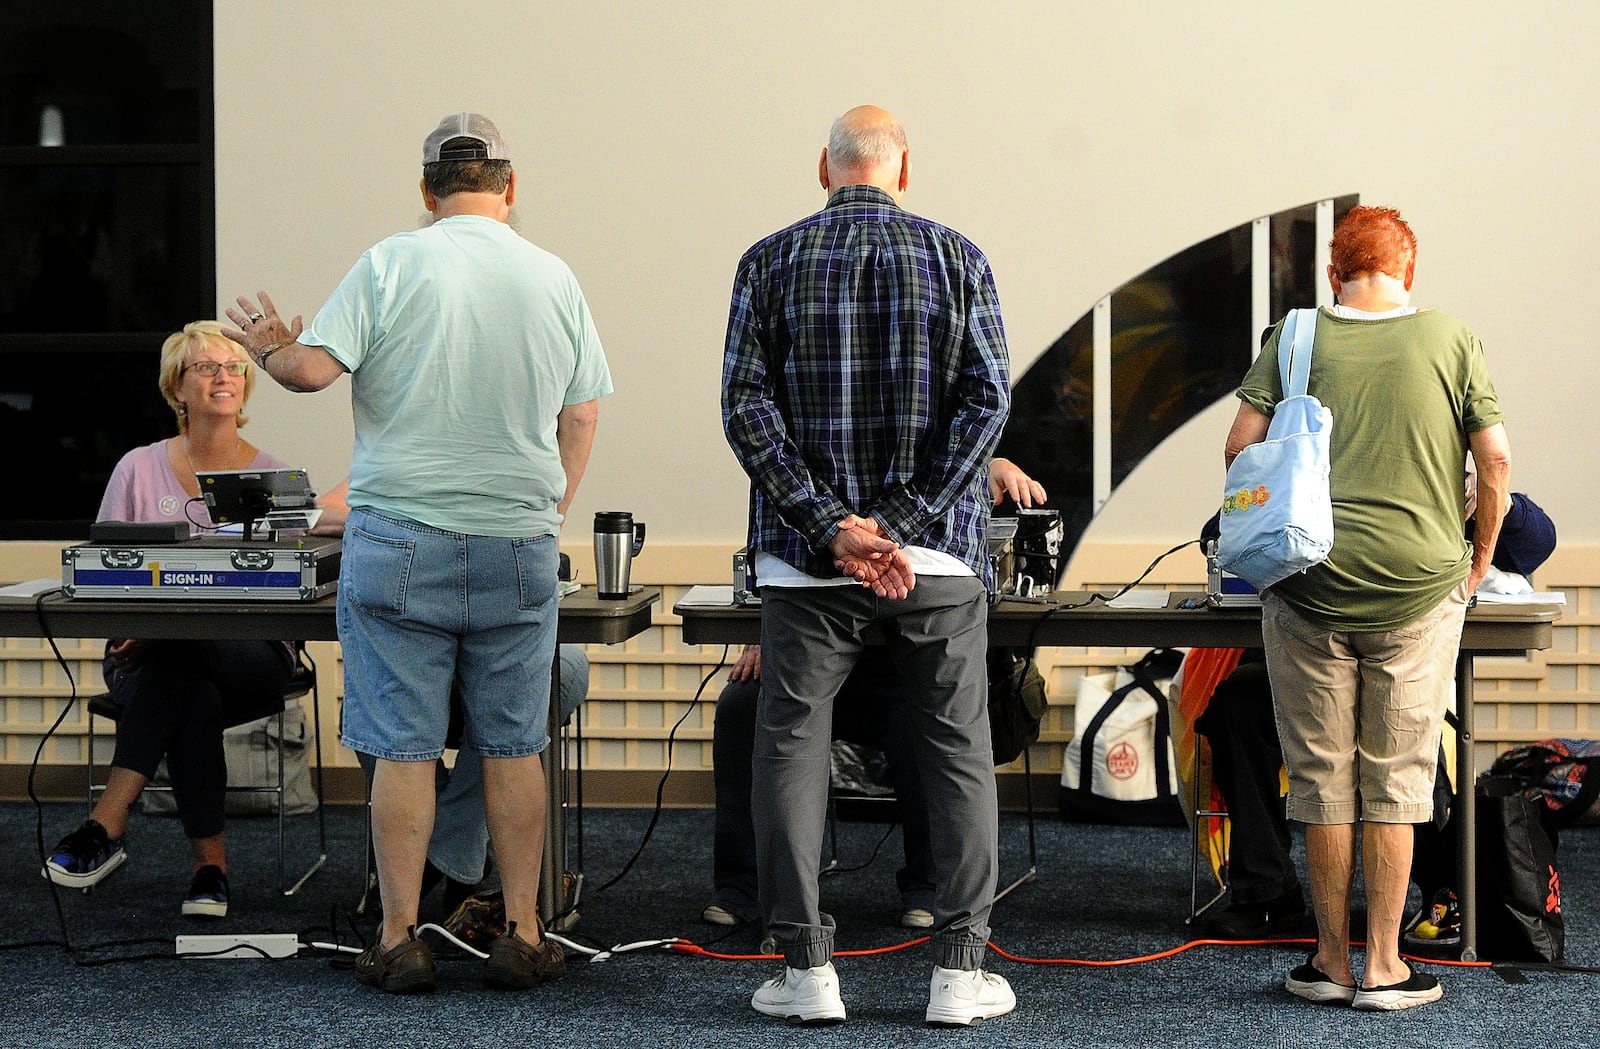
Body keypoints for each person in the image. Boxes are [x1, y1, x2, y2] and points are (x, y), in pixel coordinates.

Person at [225, 112, 611, 994]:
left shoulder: (393, 260)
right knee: (513, 744)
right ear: (510, 189)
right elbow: (583, 411)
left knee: (403, 747)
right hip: (514, 540)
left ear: (427, 191)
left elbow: (310, 374)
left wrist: (274, 346)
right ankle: (521, 928)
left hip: (399, 539)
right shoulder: (553, 276)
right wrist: (547, 509)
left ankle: (400, 938)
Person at [722, 105, 1014, 1027]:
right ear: (904, 168)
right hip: (936, 559)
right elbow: (987, 403)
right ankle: (960, 975)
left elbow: (745, 407)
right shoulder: (960, 257)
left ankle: (805, 971)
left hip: (812, 569)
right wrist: (900, 523)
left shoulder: (767, 260)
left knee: (790, 750)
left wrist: (833, 527)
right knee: (957, 749)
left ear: (824, 169)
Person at [1224, 205, 1512, 1011]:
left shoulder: (1293, 334)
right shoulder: (1450, 337)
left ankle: (1330, 962)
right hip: (1420, 591)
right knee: (1397, 779)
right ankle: (1386, 965)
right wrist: (1480, 555)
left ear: (1332, 273)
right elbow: (1495, 458)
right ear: (1409, 272)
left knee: (1321, 778)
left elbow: (1237, 449)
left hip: (1310, 586)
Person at [1192, 485, 1555, 943]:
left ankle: (1439, 890)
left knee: (1407, 717)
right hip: (1303, 655)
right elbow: (1217, 535)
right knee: (1236, 707)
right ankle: (1265, 891)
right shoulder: (1304, 473)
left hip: (1399, 661)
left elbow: (1537, 542)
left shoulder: (1434, 485)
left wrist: (1500, 502)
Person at [705, 458, 1046, 932]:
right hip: (814, 614)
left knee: (933, 724)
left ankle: (931, 888)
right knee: (743, 706)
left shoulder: (974, 465)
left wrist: (992, 468)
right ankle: (745, 888)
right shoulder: (808, 465)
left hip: (900, 665)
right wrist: (765, 625)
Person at [42, 321, 296, 919]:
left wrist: (159, 630)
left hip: (251, 657)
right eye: (206, 367)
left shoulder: (270, 478)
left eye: (233, 366)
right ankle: (211, 872)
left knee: (177, 652)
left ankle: (107, 822)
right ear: (176, 389)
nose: (223, 377)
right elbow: (101, 573)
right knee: (187, 683)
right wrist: (155, 631)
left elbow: (286, 591)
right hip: (147, 658)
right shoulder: (137, 468)